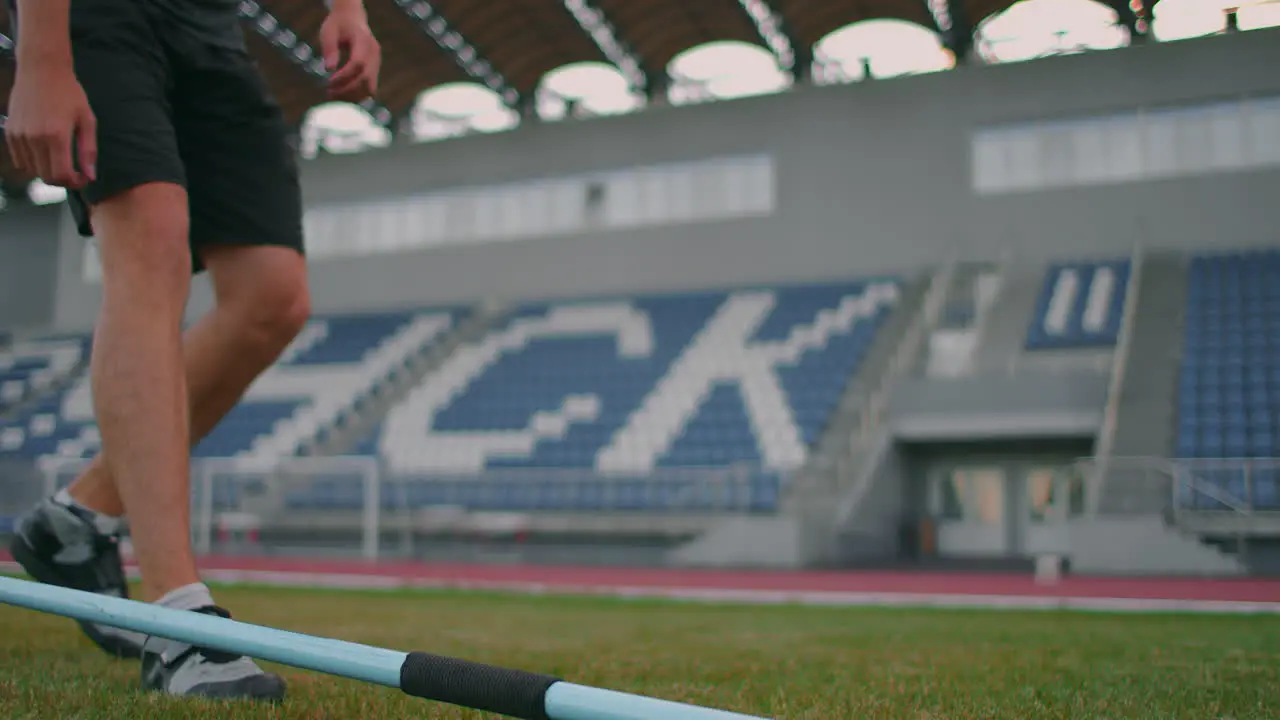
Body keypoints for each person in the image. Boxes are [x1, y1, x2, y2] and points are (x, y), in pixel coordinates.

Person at [3, 0, 380, 703]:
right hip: (96, 16)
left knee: (272, 298)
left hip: (208, 22)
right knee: (150, 244)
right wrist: (43, 56)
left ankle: (77, 517)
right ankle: (177, 616)